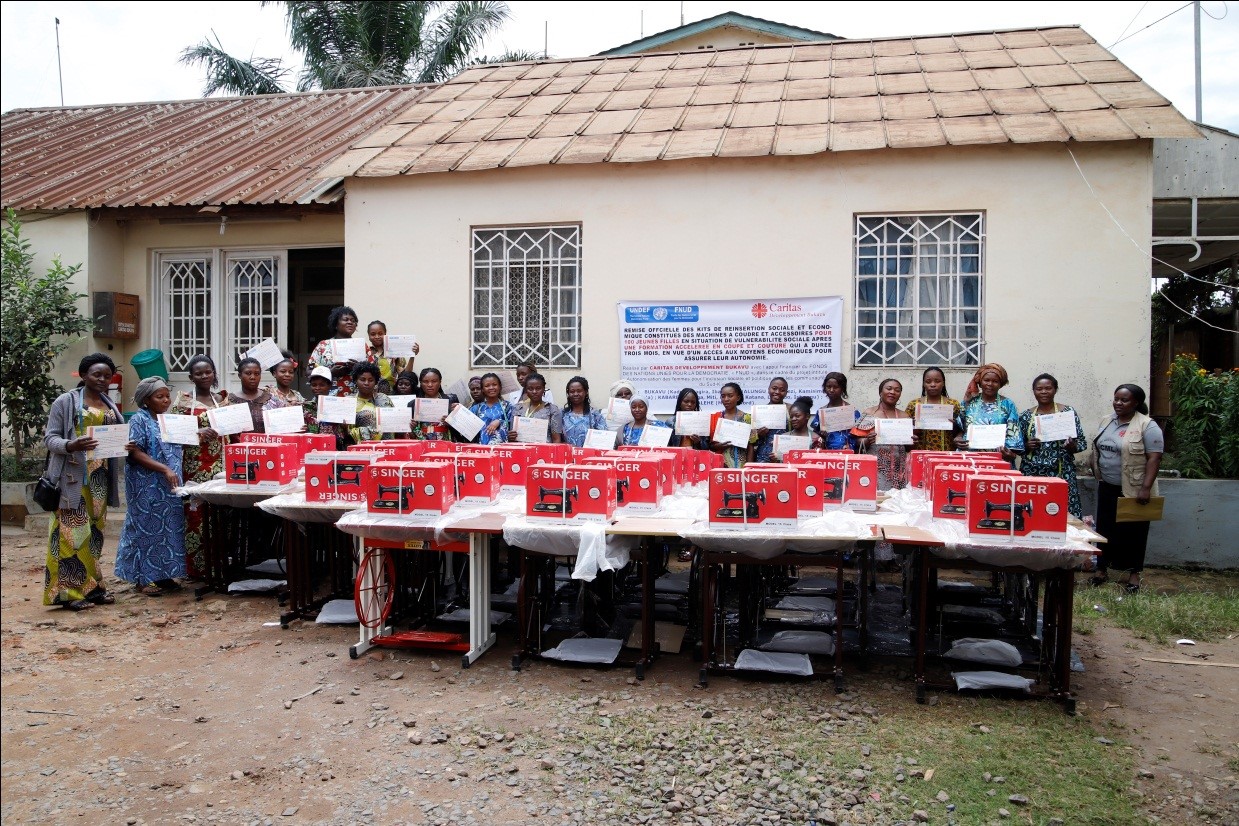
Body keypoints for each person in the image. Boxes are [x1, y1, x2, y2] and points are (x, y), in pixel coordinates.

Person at [42, 353, 125, 611]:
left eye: (107, 376)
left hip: (99, 480)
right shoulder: (65, 402)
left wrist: (124, 444)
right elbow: (50, 439)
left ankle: (92, 587)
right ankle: (68, 593)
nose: (102, 379)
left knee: (94, 535)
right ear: (84, 375)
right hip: (71, 478)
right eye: (96, 374)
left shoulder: (108, 403)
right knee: (70, 535)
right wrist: (71, 444)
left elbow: (112, 439)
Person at [114, 377, 185, 597]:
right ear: (146, 400)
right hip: (146, 483)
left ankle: (163, 575)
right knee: (144, 527)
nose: (166, 400)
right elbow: (135, 452)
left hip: (169, 486)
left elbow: (183, 439)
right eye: (159, 396)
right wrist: (164, 469)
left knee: (167, 528)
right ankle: (142, 578)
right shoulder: (139, 420)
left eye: (167, 396)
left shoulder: (169, 419)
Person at [1090, 384, 1163, 593]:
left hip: (1134, 489)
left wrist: (1146, 488)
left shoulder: (1147, 426)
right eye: (1116, 399)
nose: (1118, 403)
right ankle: (1101, 570)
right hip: (1107, 485)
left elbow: (1155, 458)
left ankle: (1133, 576)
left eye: (1124, 400)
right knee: (1104, 530)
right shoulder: (1108, 420)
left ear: (1136, 403)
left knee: (1134, 533)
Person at [169, 354, 228, 579]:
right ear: (191, 377)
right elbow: (171, 432)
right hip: (194, 467)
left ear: (214, 373)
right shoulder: (182, 402)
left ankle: (220, 566)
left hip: (220, 467)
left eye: (208, 372)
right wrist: (197, 432)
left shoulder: (223, 400)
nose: (204, 376)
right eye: (199, 373)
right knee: (196, 518)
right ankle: (197, 570)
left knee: (220, 517)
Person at [1019, 373, 1087, 518]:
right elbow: (1017, 447)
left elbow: (1082, 442)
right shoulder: (1025, 416)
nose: (1044, 392)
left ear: (1055, 390)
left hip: (1062, 472)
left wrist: (1072, 446)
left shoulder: (1067, 413)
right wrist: (1026, 445)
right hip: (1033, 473)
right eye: (1039, 389)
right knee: (1033, 513)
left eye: (1048, 388)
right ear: (1034, 391)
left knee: (1063, 513)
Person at [955, 363, 1024, 461]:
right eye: (986, 380)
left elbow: (1013, 431)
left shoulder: (1008, 404)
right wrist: (958, 438)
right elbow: (960, 427)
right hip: (970, 457)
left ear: (1001, 384)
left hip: (997, 458)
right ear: (980, 382)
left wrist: (1009, 452)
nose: (990, 384)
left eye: (995, 381)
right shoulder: (969, 402)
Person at [858, 378, 911, 490]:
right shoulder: (869, 413)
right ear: (880, 392)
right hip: (876, 466)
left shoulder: (904, 416)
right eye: (889, 388)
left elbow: (908, 447)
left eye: (897, 390)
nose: (892, 392)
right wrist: (867, 440)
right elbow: (856, 441)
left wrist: (912, 440)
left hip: (899, 467)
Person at [307, 306, 372, 396]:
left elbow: (374, 372)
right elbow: (309, 371)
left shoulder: (362, 346)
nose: (350, 322)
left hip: (357, 397)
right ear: (336, 324)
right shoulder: (323, 345)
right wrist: (330, 372)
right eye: (345, 319)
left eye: (353, 321)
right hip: (329, 396)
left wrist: (357, 368)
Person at [905, 366, 961, 452]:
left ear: (943, 383)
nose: (933, 385)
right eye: (928, 381)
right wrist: (913, 425)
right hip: (920, 452)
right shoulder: (914, 405)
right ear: (923, 384)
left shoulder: (953, 404)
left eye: (937, 381)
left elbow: (960, 432)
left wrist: (954, 426)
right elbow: (905, 432)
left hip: (946, 451)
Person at [226, 357, 286, 432]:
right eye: (248, 373)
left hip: (266, 443)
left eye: (257, 374)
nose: (253, 377)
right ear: (239, 375)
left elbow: (283, 425)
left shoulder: (272, 401)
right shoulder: (228, 401)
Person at [710, 382, 756, 467]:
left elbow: (751, 446)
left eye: (730, 396)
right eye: (723, 396)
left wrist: (749, 467)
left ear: (738, 397)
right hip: (720, 465)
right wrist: (718, 446)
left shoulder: (748, 418)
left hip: (742, 465)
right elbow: (708, 446)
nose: (726, 399)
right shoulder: (715, 417)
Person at [366, 319, 418, 394]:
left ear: (385, 333)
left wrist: (412, 356)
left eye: (380, 333)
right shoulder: (365, 352)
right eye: (373, 334)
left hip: (391, 394)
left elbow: (406, 375)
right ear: (368, 335)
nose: (377, 336)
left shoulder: (394, 352)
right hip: (369, 394)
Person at [554, 377, 608, 448]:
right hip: (566, 455)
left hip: (588, 456)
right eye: (572, 391)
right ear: (568, 393)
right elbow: (555, 439)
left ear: (586, 392)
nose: (575, 394)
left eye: (579, 391)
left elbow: (604, 438)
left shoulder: (595, 415)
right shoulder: (561, 414)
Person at [811, 372, 859, 450]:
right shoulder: (821, 412)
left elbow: (860, 435)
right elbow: (815, 436)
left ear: (842, 388)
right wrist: (821, 435)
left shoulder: (851, 411)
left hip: (848, 454)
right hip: (827, 455)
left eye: (835, 387)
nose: (831, 390)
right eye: (828, 387)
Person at [411, 367, 462, 442]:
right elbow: (409, 432)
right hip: (422, 445)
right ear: (421, 383)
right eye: (425, 381)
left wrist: (452, 421)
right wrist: (412, 427)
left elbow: (462, 429)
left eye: (434, 381)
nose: (430, 385)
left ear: (440, 382)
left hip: (446, 445)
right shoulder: (413, 404)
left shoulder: (451, 401)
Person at [348, 362, 393, 444]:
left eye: (370, 380)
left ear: (376, 382)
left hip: (385, 446)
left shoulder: (384, 399)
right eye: (362, 379)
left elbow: (393, 423)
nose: (366, 383)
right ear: (355, 381)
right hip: (357, 449)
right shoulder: (348, 402)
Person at [510, 372, 562, 442]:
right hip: (521, 450)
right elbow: (511, 435)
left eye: (538, 388)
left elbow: (556, 440)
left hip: (544, 451)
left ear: (543, 389)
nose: (534, 392)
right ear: (526, 390)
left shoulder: (552, 410)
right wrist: (510, 436)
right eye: (530, 389)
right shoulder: (517, 408)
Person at [303, 366, 346, 449]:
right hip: (311, 449)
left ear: (329, 386)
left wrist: (344, 427)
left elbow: (343, 435)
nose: (317, 388)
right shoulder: (306, 407)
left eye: (322, 385)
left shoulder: (338, 406)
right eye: (314, 385)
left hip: (333, 449)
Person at [753, 377, 791, 463]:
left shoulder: (791, 409)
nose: (777, 392)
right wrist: (758, 434)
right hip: (762, 458)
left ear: (786, 393)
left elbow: (797, 433)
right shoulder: (760, 411)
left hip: (784, 457)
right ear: (768, 389)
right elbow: (751, 440)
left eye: (782, 390)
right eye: (774, 388)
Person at [470, 372, 513, 445]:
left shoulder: (507, 406)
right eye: (487, 386)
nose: (491, 388)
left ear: (500, 387)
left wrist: (500, 422)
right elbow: (466, 427)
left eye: (494, 384)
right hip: (480, 450)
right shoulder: (476, 409)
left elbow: (514, 426)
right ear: (482, 389)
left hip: (503, 451)